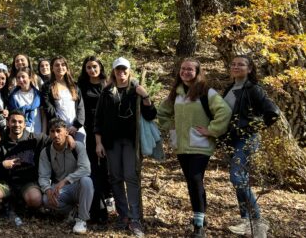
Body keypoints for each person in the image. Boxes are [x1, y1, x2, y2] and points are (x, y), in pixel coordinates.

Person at [158, 59, 231, 238]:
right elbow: (163, 112)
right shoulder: (176, 93)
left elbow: (224, 111)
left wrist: (211, 130)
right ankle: (201, 217)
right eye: (183, 69)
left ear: (197, 72)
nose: (185, 72)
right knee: (192, 182)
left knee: (195, 179)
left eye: (190, 69)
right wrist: (171, 126)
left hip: (200, 145)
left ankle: (198, 225)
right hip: (182, 146)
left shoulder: (206, 92)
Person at [94, 57, 156, 237]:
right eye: (118, 70)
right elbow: (98, 119)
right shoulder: (106, 92)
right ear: (113, 71)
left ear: (129, 70)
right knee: (115, 177)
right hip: (111, 142)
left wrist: (145, 95)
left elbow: (151, 115)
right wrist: (98, 142)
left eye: (124, 69)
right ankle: (124, 216)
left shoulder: (136, 89)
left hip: (130, 141)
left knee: (131, 177)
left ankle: (135, 218)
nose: (121, 73)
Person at [222, 55, 279, 238]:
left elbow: (272, 113)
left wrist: (249, 128)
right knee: (241, 181)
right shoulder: (230, 88)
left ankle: (258, 223)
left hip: (246, 139)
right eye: (234, 64)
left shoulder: (253, 89)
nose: (236, 66)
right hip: (232, 140)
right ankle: (246, 223)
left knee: (238, 179)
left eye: (241, 64)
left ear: (250, 69)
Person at [0, 110, 46, 226]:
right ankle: (7, 203)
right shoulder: (0, 144)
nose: (16, 124)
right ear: (8, 123)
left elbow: (54, 140)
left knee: (36, 199)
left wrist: (68, 138)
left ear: (24, 124)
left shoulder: (34, 139)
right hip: (6, 183)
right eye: (13, 121)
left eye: (20, 122)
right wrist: (3, 165)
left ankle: (22, 204)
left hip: (27, 182)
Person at [39, 118, 93, 235]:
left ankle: (82, 219)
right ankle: (72, 211)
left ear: (66, 132)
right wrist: (47, 190)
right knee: (45, 199)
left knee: (87, 181)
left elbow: (86, 169)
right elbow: (43, 176)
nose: (56, 135)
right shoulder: (46, 152)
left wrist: (66, 180)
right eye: (52, 131)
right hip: (60, 189)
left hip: (77, 186)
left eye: (59, 131)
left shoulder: (77, 146)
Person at [77, 55, 113, 222]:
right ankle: (96, 205)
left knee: (107, 167)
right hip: (89, 131)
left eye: (95, 66)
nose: (92, 70)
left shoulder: (108, 84)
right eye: (89, 67)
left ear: (100, 67)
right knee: (92, 168)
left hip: (108, 131)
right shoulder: (81, 86)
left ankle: (109, 200)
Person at [42, 57, 85, 141]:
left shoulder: (74, 86)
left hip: (76, 128)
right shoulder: (47, 87)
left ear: (67, 67)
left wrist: (76, 126)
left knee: (79, 152)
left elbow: (80, 107)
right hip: (58, 129)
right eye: (57, 65)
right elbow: (48, 107)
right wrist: (61, 126)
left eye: (63, 65)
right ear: (52, 68)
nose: (60, 67)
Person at [9, 68, 44, 134]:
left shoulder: (38, 95)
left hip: (37, 131)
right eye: (18, 77)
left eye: (23, 77)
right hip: (21, 134)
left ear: (30, 78)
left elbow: (43, 115)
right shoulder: (14, 96)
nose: (20, 80)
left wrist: (43, 132)